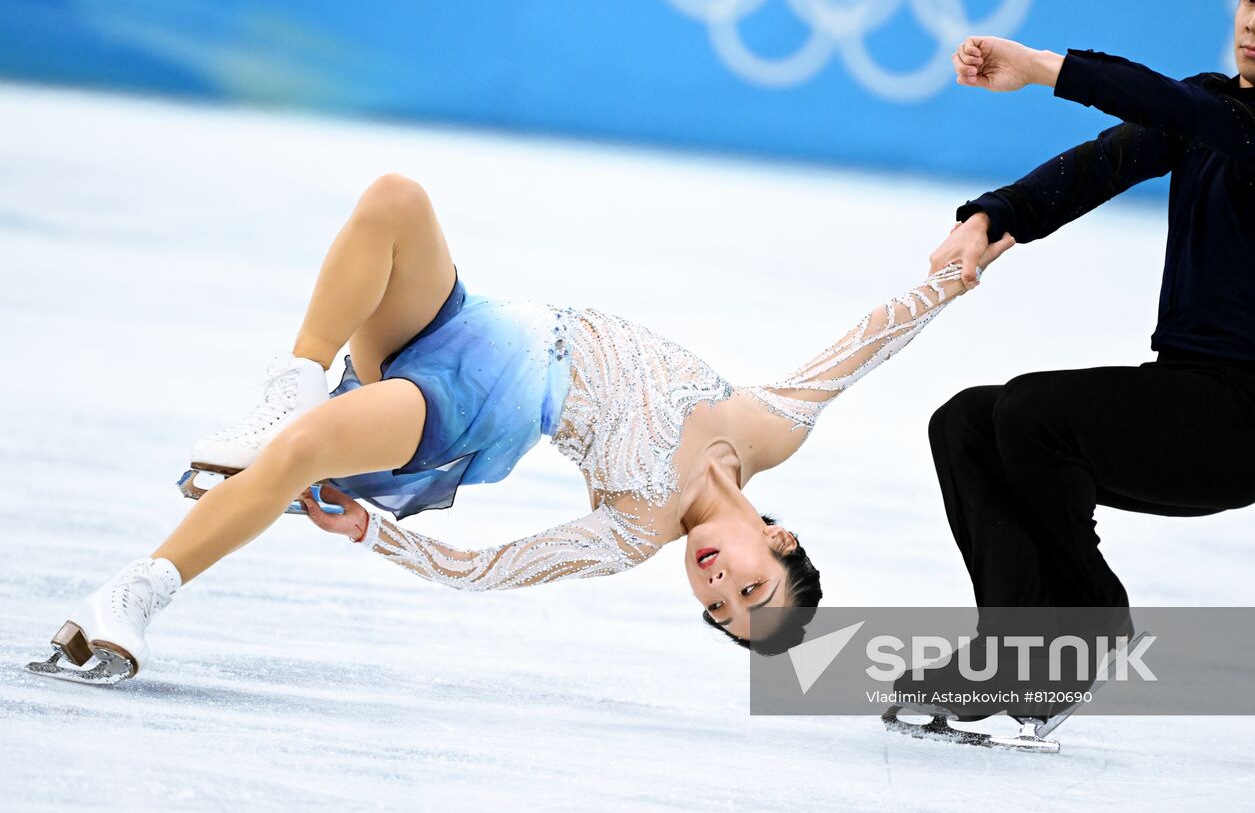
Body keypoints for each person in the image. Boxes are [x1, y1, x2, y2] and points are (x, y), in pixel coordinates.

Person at [30, 173, 1014, 684]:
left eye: (717, 608)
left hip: (481, 407)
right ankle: (291, 383)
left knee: (299, 456)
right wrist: (953, 273)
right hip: (475, 323)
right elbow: (863, 345)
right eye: (748, 585)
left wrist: (376, 531)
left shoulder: (635, 528)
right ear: (780, 536)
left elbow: (485, 572)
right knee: (394, 202)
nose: (716, 585)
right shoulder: (767, 429)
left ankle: (131, 598)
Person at [922, 0, 1255, 661]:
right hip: (1181, 394)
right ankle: (1011, 652)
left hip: (1242, 424)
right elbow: (1101, 163)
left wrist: (1044, 66)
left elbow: (1184, 111)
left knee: (1036, 415)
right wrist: (991, 218)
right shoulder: (1211, 109)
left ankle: (1088, 627)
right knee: (967, 423)